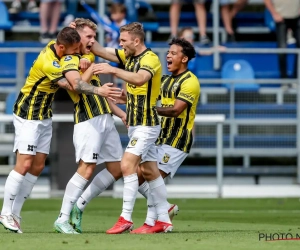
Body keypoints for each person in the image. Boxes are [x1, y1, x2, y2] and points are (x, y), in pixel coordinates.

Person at [0, 27, 121, 234]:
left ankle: (16, 213)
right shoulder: (50, 62)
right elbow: (74, 86)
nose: (75, 55)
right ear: (63, 47)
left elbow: (71, 37)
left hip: (45, 113)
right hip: (28, 112)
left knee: (37, 166)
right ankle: (5, 212)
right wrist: (99, 88)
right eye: (73, 51)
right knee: (25, 162)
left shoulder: (59, 47)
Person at [91, 22, 173, 234]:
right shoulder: (129, 56)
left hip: (147, 124)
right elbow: (100, 50)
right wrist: (84, 36)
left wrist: (113, 70)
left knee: (127, 164)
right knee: (149, 171)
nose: (120, 44)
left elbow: (140, 78)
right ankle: (163, 219)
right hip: (135, 124)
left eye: (123, 41)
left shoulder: (150, 58)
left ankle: (125, 217)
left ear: (136, 41)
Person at [53, 18, 125, 234]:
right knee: (86, 168)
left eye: (95, 37)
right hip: (87, 119)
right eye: (89, 37)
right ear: (77, 36)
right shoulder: (68, 61)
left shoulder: (88, 56)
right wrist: (90, 68)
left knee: (117, 168)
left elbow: (100, 92)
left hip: (104, 117)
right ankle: (62, 218)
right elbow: (76, 87)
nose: (93, 41)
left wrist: (122, 115)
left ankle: (79, 205)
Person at [131, 37, 200, 233]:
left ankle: (153, 223)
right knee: (137, 177)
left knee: (154, 178)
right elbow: (145, 96)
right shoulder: (165, 81)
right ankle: (165, 208)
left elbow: (175, 110)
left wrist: (148, 109)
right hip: (161, 138)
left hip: (177, 140)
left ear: (184, 59)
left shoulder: (190, 82)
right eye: (168, 52)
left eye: (173, 53)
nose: (168, 55)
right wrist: (125, 98)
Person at [264, 0, 300, 78]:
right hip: (281, 18)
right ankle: (284, 79)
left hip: (296, 17)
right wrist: (274, 14)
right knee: (282, 49)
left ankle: (297, 77)